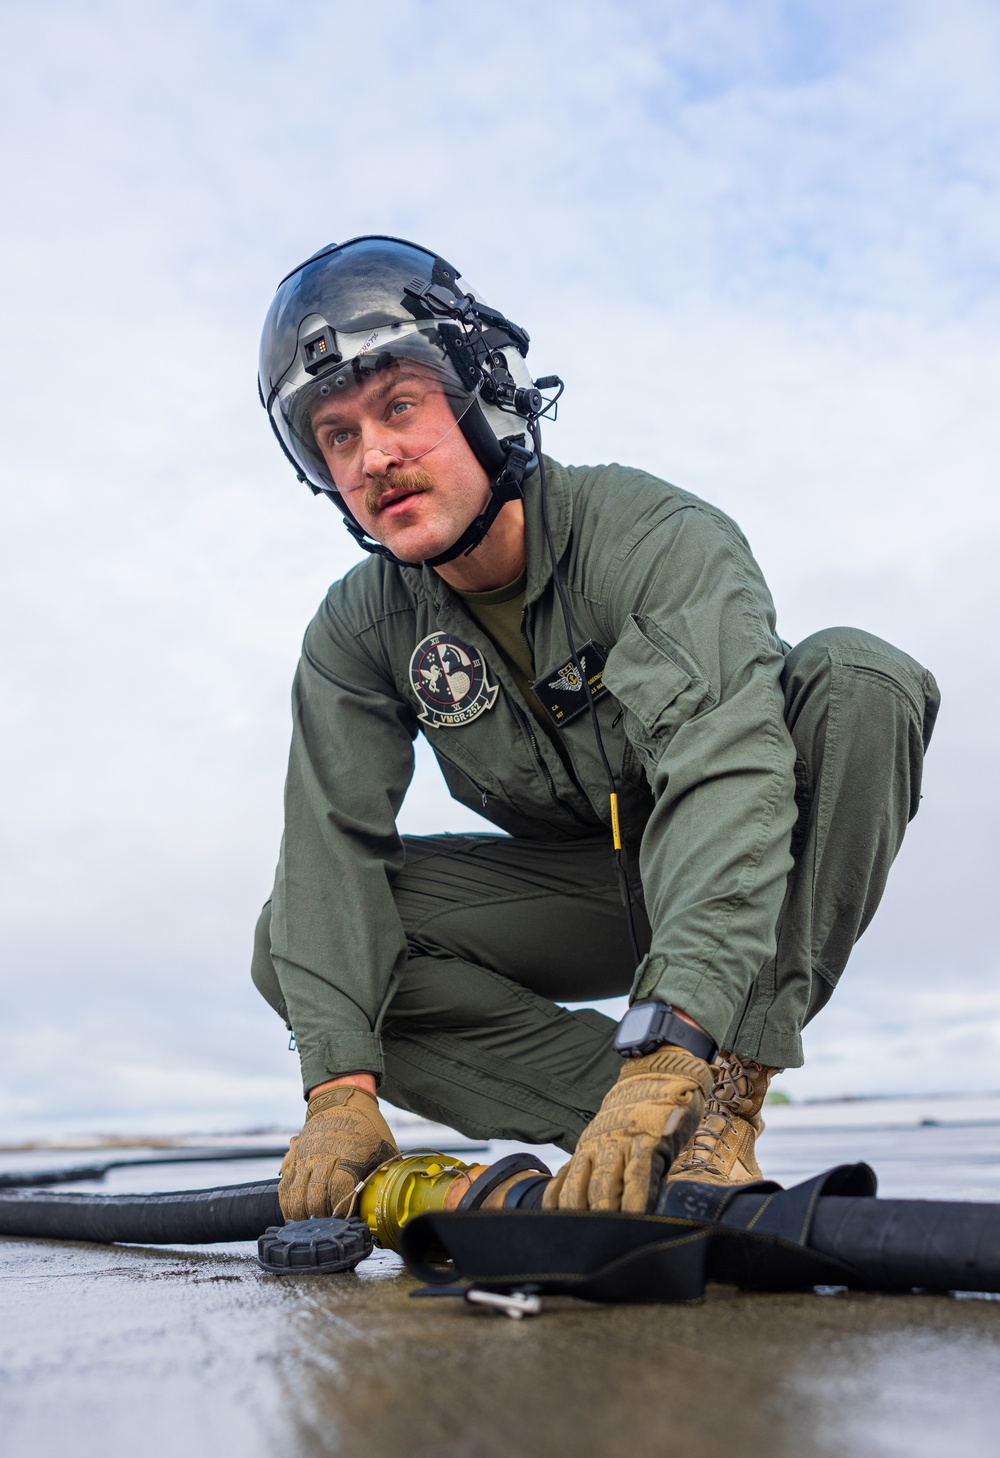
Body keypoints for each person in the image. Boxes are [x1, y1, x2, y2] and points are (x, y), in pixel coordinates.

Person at [252, 235, 939, 1221]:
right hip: (579, 892)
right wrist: (338, 1090)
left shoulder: (651, 537)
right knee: (298, 937)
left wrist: (669, 1046)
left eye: (398, 406)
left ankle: (715, 1103)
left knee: (858, 677)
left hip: (738, 865)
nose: (375, 457)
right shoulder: (357, 629)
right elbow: (331, 853)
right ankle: (617, 1123)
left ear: (482, 393)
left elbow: (724, 776)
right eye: (338, 435)